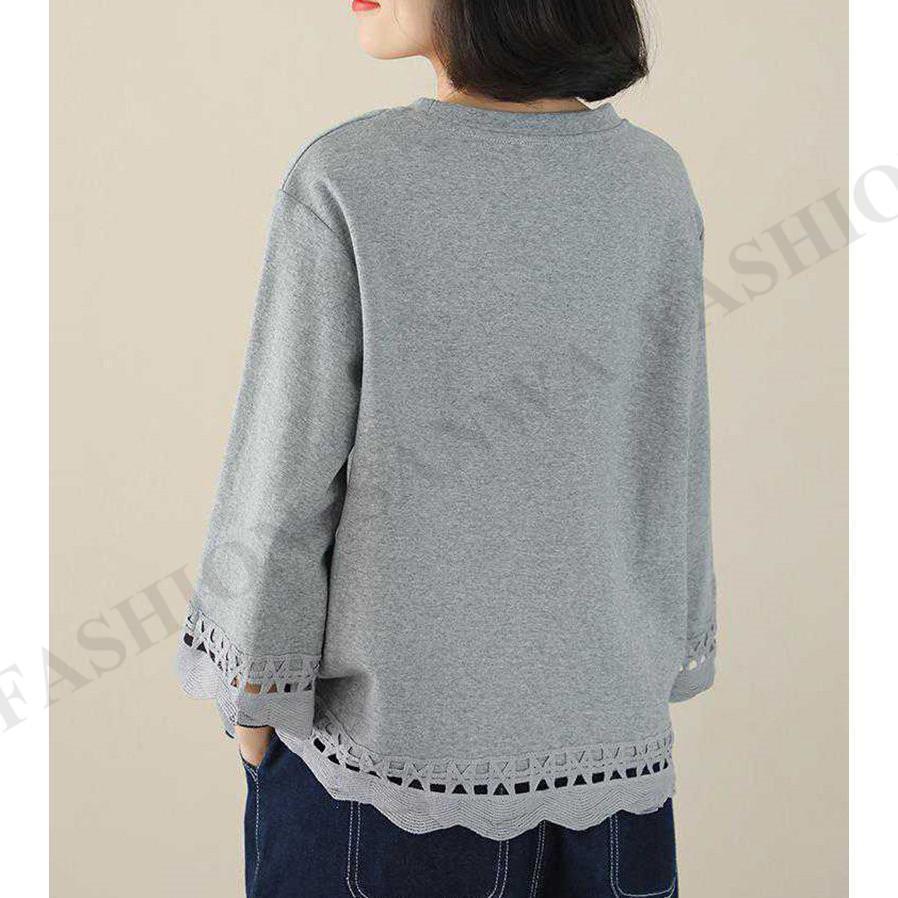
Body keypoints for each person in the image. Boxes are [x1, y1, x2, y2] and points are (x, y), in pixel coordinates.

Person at [175, 1, 716, 895]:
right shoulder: (655, 180)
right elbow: (669, 457)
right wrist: (663, 657)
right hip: (615, 769)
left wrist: (253, 698)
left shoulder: (350, 174)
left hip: (378, 787)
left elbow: (284, 478)